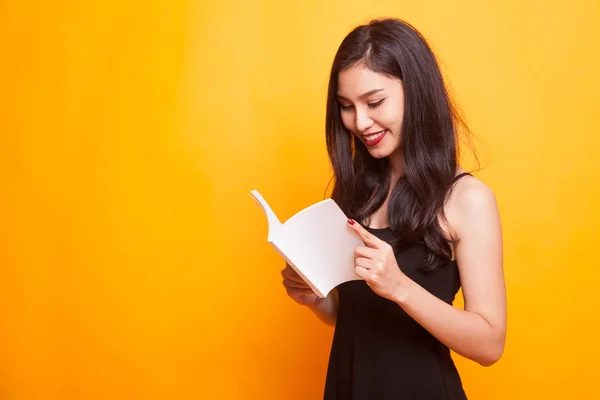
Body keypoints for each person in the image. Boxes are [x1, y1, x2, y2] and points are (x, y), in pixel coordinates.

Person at [280, 17, 506, 399]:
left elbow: (490, 345)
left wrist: (399, 286)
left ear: (416, 92)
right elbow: (357, 319)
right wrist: (317, 299)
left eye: (375, 102)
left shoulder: (468, 200)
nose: (360, 121)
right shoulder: (354, 195)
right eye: (346, 106)